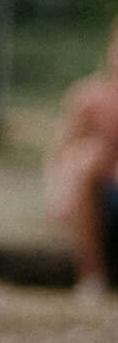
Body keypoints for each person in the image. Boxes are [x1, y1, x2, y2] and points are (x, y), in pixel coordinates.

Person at [44, 20, 118, 293]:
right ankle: (92, 276)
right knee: (87, 157)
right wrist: (59, 194)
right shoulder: (89, 97)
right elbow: (62, 153)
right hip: (104, 196)